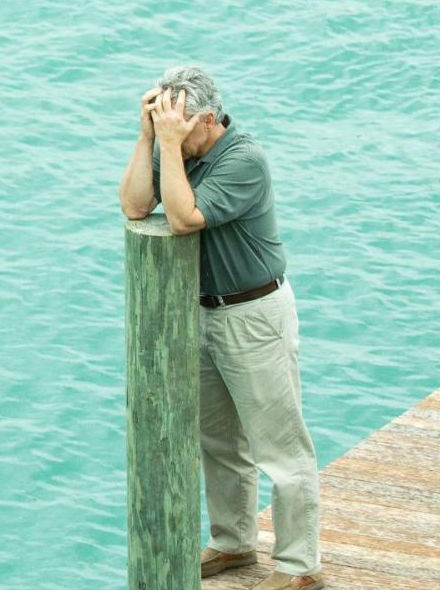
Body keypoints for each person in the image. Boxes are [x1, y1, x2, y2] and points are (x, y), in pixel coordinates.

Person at [117, 64, 324, 590]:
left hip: (254, 316)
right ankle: (233, 542)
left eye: (179, 128)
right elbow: (136, 205)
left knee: (280, 447)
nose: (172, 137)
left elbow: (183, 218)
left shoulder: (244, 159)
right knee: (218, 441)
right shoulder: (176, 148)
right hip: (203, 312)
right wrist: (149, 139)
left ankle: (299, 566)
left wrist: (169, 144)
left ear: (208, 120)